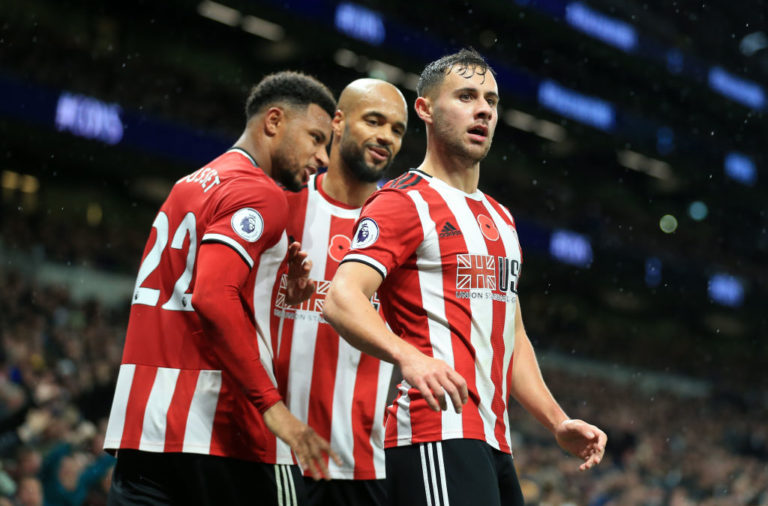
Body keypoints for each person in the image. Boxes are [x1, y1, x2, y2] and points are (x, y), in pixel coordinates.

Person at [323, 49, 607, 506]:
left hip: (494, 440)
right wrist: (409, 357)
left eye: (491, 101)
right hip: (435, 433)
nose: (483, 110)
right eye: (467, 96)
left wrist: (557, 421)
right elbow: (340, 298)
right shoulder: (402, 201)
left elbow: (512, 337)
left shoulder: (502, 218)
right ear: (426, 109)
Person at [103, 71, 340, 506]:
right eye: (316, 138)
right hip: (219, 429)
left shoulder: (189, 185)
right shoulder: (261, 193)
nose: (323, 157)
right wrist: (274, 407)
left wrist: (278, 288)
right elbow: (212, 295)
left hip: (143, 427)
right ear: (273, 122)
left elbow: (192, 285)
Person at [270, 78, 408, 506]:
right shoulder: (280, 205)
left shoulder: (403, 223)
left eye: (398, 129)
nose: (386, 136)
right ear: (338, 122)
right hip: (277, 458)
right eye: (374, 121)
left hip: (368, 466)